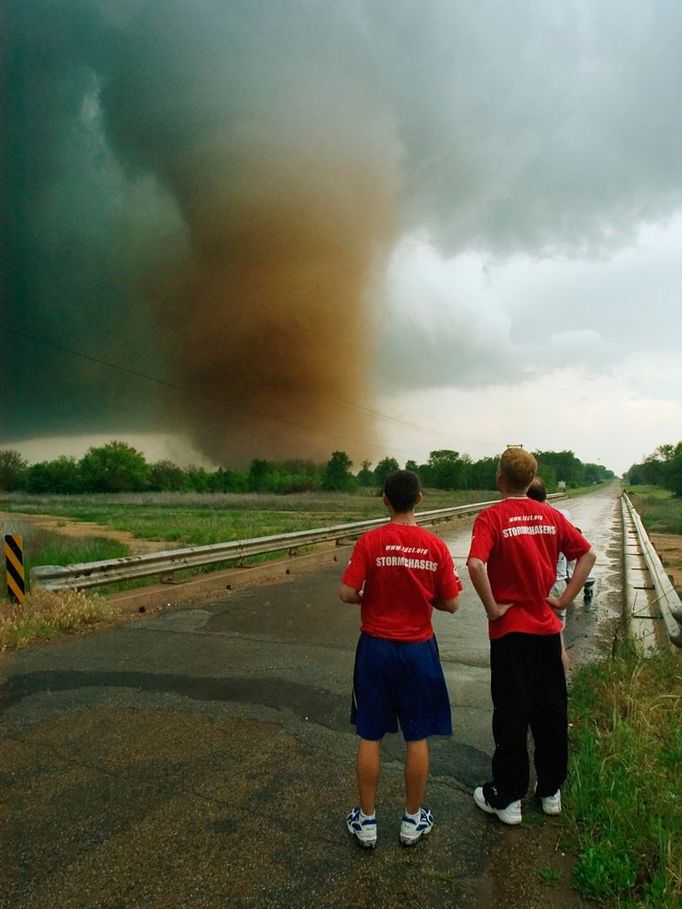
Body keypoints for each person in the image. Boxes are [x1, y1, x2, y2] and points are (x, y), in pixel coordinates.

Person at [467, 448, 596, 825]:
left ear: (500, 478)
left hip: (510, 633)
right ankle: (550, 789)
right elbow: (587, 555)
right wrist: (563, 599)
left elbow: (475, 563)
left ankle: (508, 796)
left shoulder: (492, 516)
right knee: (551, 710)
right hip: (546, 629)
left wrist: (492, 607)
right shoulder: (552, 515)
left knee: (511, 713)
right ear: (531, 478)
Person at [339, 469, 462, 848]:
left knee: (370, 734)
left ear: (385, 500)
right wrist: (428, 600)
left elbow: (346, 592)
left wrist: (367, 599)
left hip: (376, 648)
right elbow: (453, 603)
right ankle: (412, 821)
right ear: (419, 499)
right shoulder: (435, 546)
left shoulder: (370, 542)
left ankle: (368, 821)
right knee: (417, 735)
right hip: (418, 650)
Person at [526, 477, 571, 671]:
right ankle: (560, 680)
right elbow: (585, 555)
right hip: (559, 583)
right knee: (557, 638)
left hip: (534, 585)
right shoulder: (560, 516)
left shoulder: (522, 520)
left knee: (529, 638)